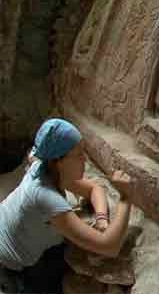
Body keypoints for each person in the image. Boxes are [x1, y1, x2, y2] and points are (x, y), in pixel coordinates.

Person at [0, 118, 133, 293]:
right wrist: (126, 197)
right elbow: (109, 247)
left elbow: (95, 189)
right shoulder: (46, 197)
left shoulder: (44, 166)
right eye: (78, 155)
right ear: (58, 161)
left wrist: (101, 219)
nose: (84, 160)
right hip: (6, 270)